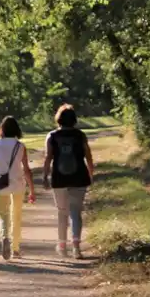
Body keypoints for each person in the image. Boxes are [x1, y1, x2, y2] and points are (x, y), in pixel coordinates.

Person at [0, 115, 36, 260]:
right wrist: (32, 190)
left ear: (2, 129)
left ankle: (4, 237)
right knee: (16, 216)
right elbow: (27, 169)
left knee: (3, 216)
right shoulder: (20, 146)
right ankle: (15, 249)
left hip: (0, 183)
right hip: (17, 184)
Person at [42, 104, 95, 259]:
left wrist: (45, 176)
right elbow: (88, 156)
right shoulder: (80, 135)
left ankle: (62, 246)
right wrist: (91, 175)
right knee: (76, 213)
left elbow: (48, 158)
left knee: (62, 213)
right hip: (79, 177)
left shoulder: (52, 136)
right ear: (74, 119)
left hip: (59, 178)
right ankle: (77, 248)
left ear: (58, 119)